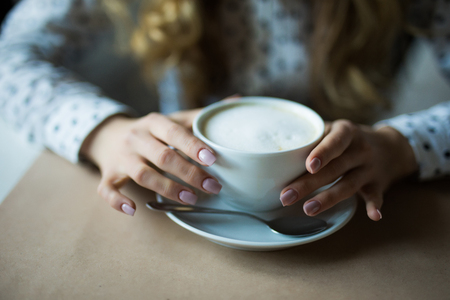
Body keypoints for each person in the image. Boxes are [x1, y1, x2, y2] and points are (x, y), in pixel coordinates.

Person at [0, 0, 449, 221]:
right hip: (190, 196)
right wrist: (104, 131)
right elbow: (11, 57)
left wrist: (402, 146)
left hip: (349, 195)